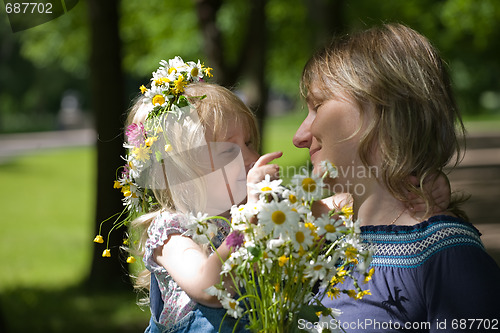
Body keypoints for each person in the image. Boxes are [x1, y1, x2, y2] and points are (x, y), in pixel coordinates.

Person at [293, 23, 500, 331]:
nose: (300, 136)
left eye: (318, 106)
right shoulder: (326, 243)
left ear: (383, 111)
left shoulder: (446, 257)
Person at [112, 58, 283, 333]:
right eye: (229, 151)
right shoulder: (172, 233)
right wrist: (250, 219)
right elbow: (208, 286)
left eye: (249, 142)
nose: (252, 157)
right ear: (182, 177)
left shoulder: (240, 217)